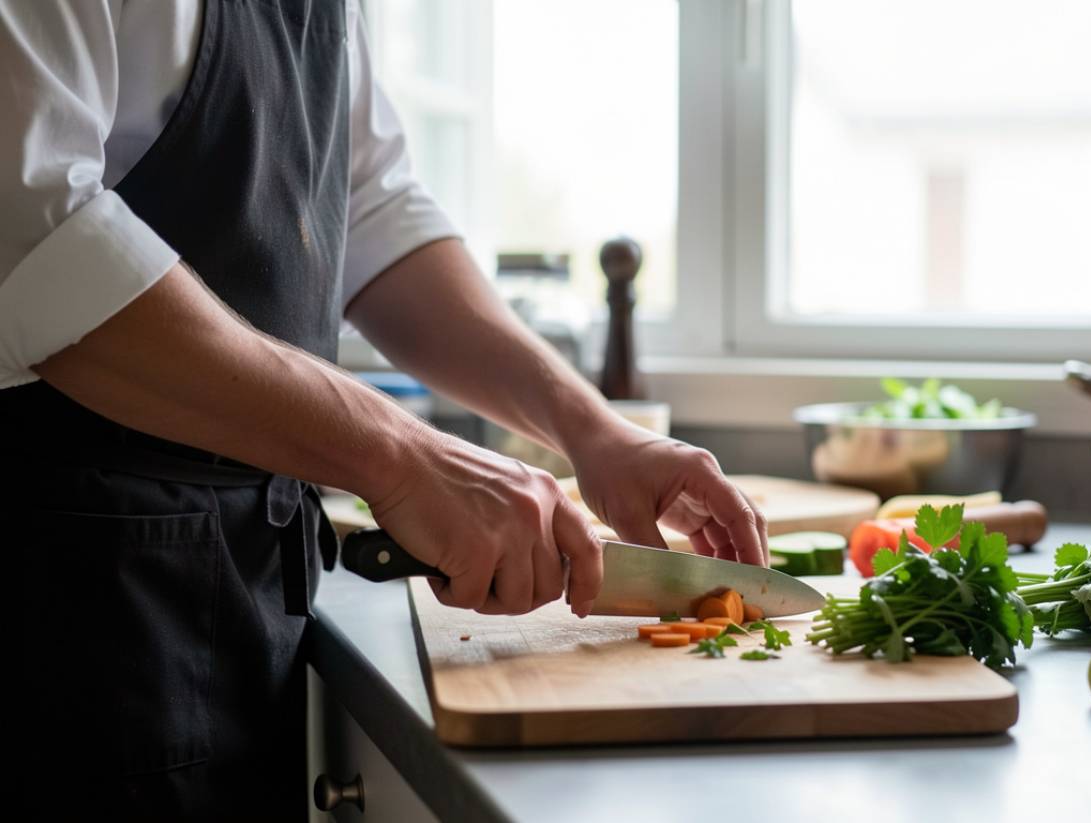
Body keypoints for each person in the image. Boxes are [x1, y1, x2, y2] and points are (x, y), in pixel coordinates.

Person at [0, 1, 768, 819]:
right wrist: (403, 454)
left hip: (245, 581)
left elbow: (373, 210)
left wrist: (593, 430)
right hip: (59, 600)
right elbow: (34, 239)